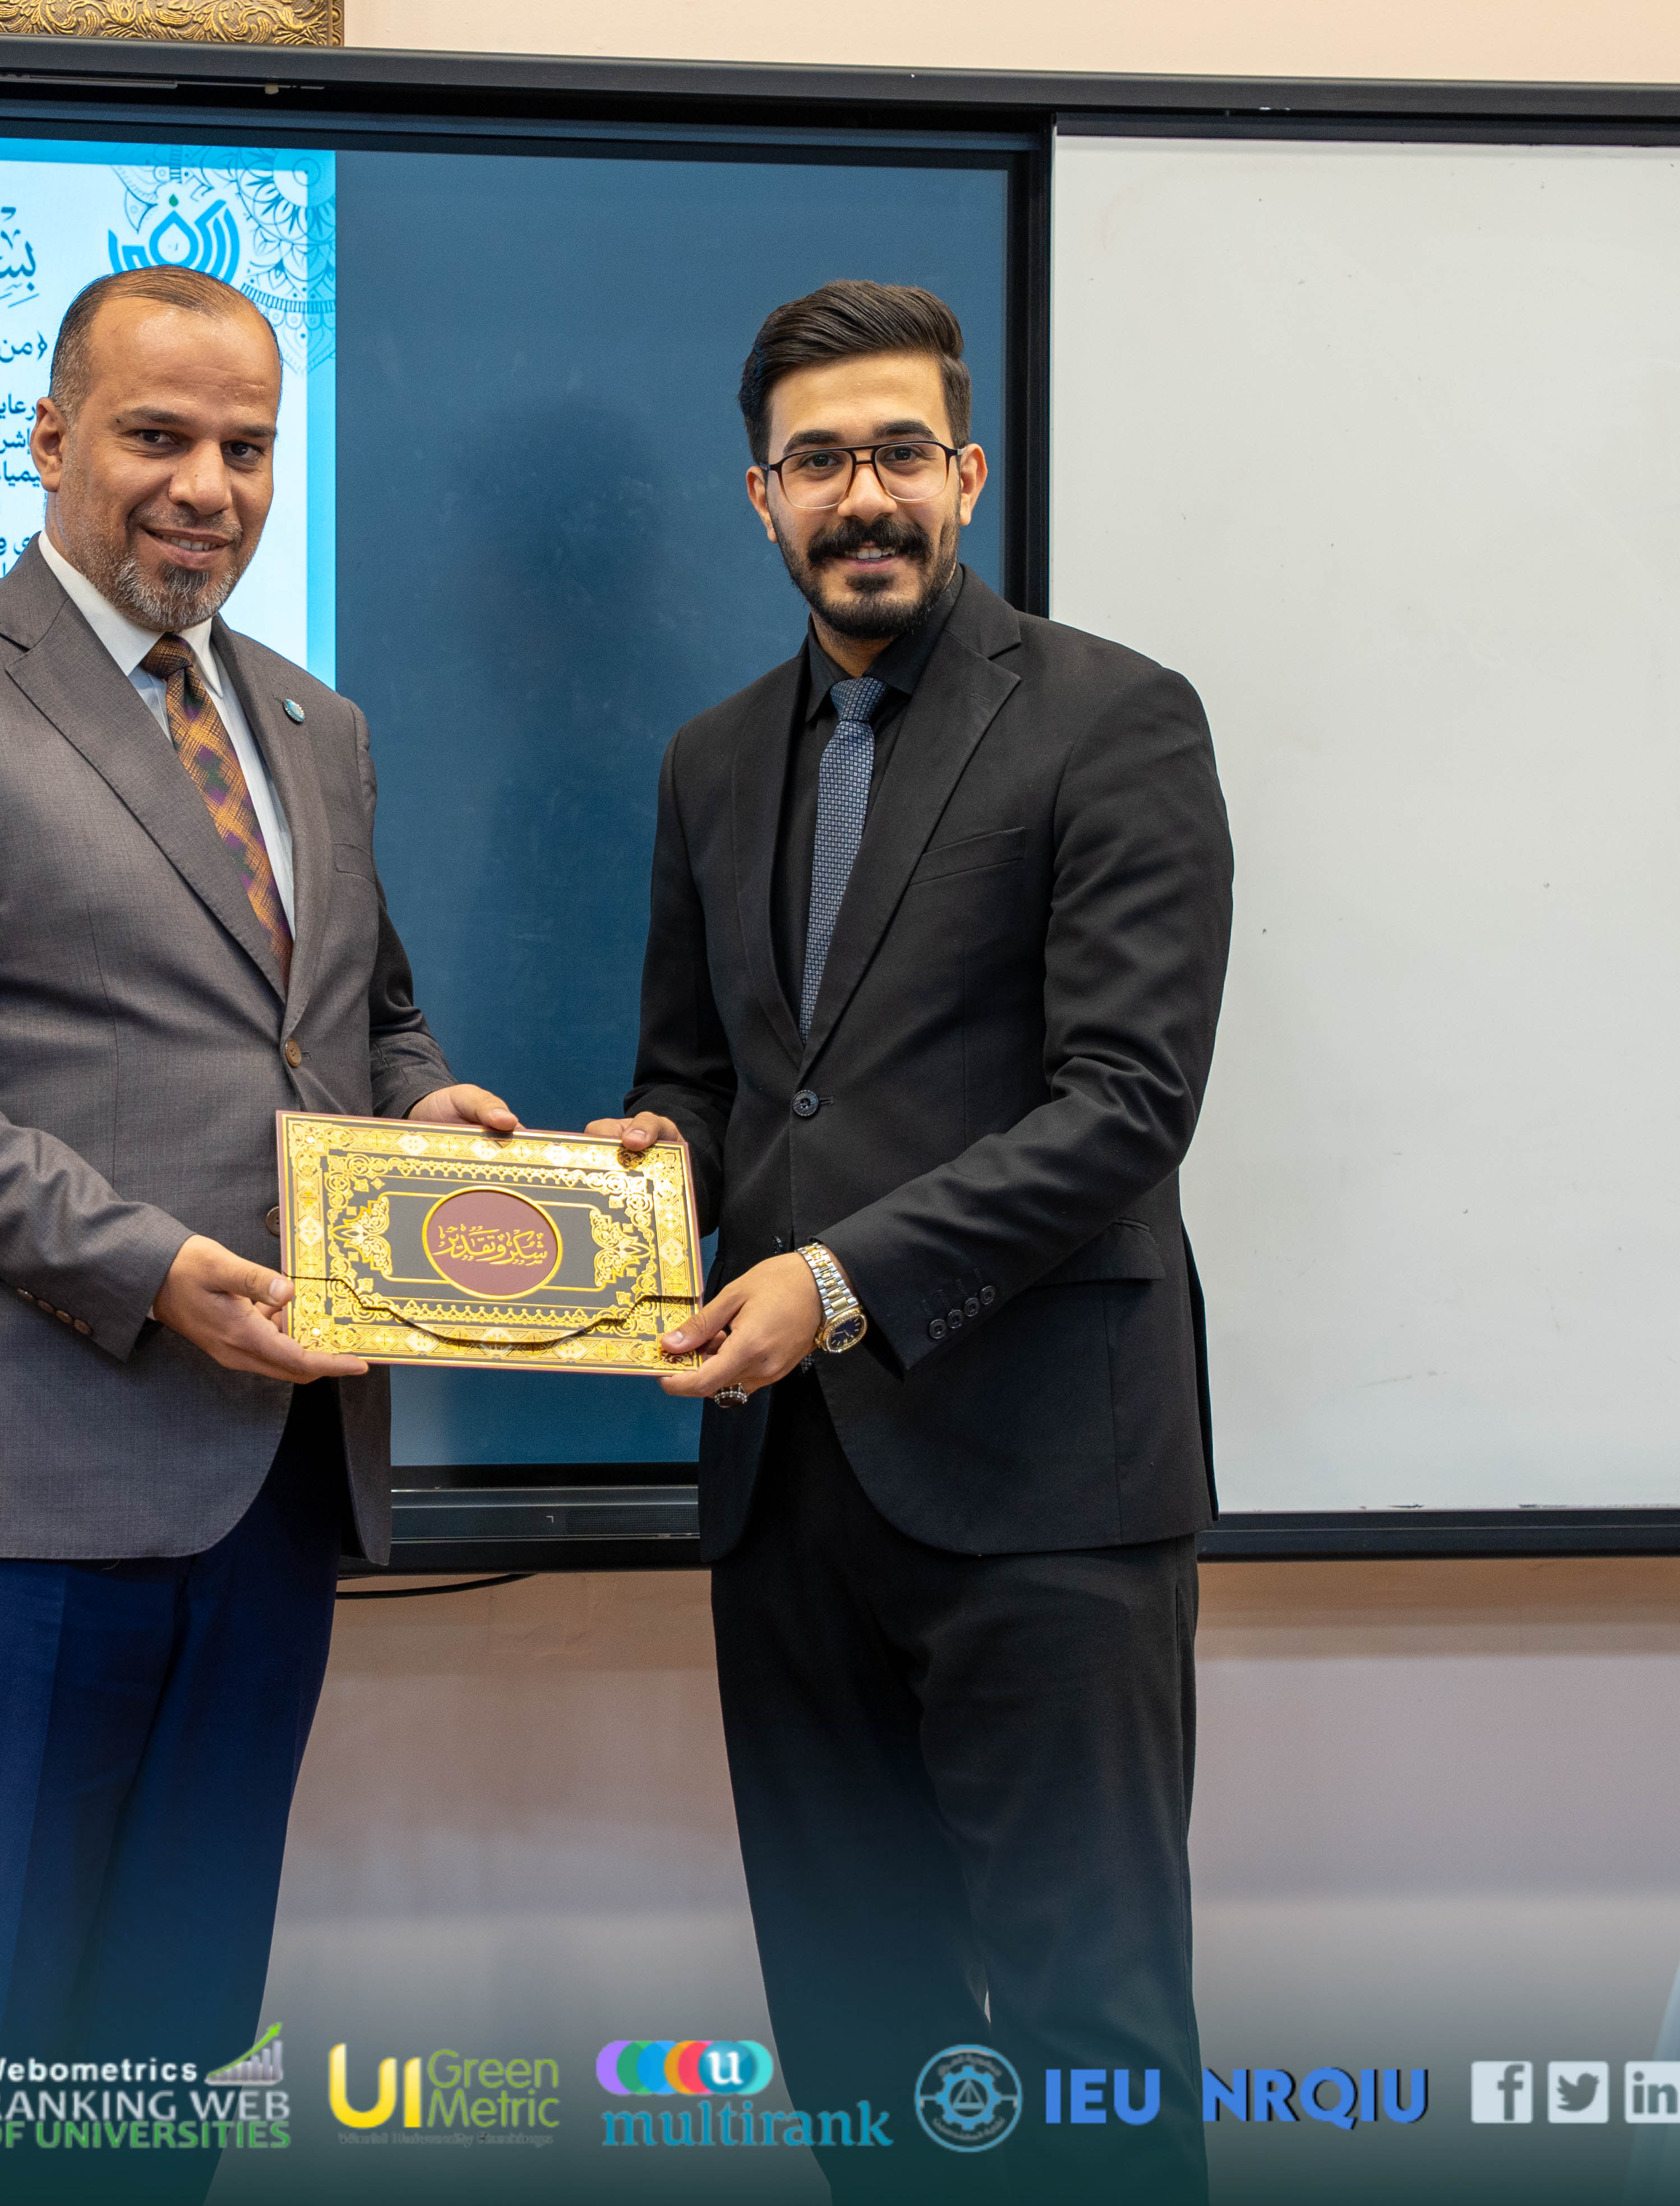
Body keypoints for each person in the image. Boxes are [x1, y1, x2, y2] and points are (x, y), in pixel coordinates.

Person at [0, 264, 515, 2199]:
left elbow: (360, 1019)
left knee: (164, 2063)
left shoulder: (316, 726)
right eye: (158, 436)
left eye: (246, 447)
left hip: (266, 1489)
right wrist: (151, 1269)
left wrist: (427, 1115)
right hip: (4, 1491)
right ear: (50, 439)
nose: (207, 486)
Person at [592, 280, 1234, 2203]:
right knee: (860, 2038)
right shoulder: (712, 760)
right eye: (817, 462)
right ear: (761, 498)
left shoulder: (1116, 718)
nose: (859, 496)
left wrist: (835, 1283)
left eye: (896, 454)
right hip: (786, 1496)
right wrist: (649, 1162)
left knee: (1088, 2039)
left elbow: (1126, 1103)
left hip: (1045, 1485)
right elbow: (708, 1082)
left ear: (967, 474)